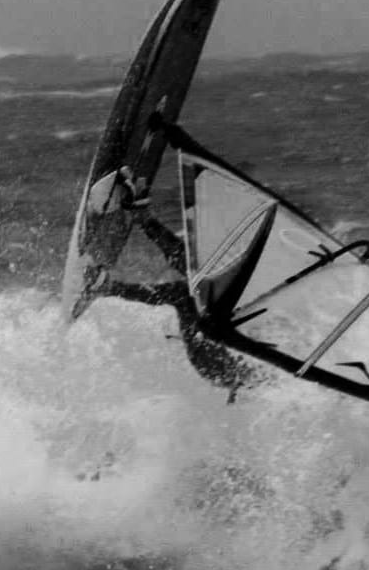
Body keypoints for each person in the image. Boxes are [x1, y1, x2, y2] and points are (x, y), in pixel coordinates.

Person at [91, 169, 259, 398]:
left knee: (186, 293)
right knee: (197, 273)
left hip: (221, 366)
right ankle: (144, 220)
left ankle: (108, 286)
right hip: (228, 357)